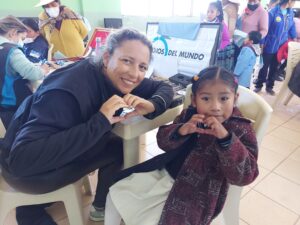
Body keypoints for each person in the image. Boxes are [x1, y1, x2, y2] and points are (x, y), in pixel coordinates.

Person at [0, 28, 174, 225]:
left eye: (142, 67)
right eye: (127, 61)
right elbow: (21, 160)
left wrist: (153, 105)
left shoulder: (115, 75)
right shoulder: (67, 92)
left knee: (116, 143)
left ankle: (94, 206)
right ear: (107, 58)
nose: (135, 74)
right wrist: (100, 121)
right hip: (26, 174)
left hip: (35, 148)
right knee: (118, 147)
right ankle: (33, 210)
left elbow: (165, 87)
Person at [104, 66, 259, 225]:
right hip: (166, 176)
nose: (215, 107)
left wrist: (225, 139)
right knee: (115, 193)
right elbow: (162, 141)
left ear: (235, 98)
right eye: (206, 98)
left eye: (224, 98)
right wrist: (181, 130)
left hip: (198, 194)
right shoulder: (190, 115)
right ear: (194, 100)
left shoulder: (241, 129)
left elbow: (246, 175)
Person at [0, 15, 50, 129]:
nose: (22, 41)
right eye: (22, 38)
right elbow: (33, 73)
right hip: (11, 105)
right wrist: (43, 69)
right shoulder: (11, 51)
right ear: (12, 33)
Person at [254, 0, 297, 95]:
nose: (294, 3)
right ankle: (259, 85)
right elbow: (265, 28)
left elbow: (292, 27)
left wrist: (294, 37)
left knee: (274, 68)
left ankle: (269, 87)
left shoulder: (290, 13)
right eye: (294, 1)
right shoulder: (272, 12)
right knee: (264, 67)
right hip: (270, 44)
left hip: (281, 46)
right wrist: (262, 43)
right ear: (289, 1)